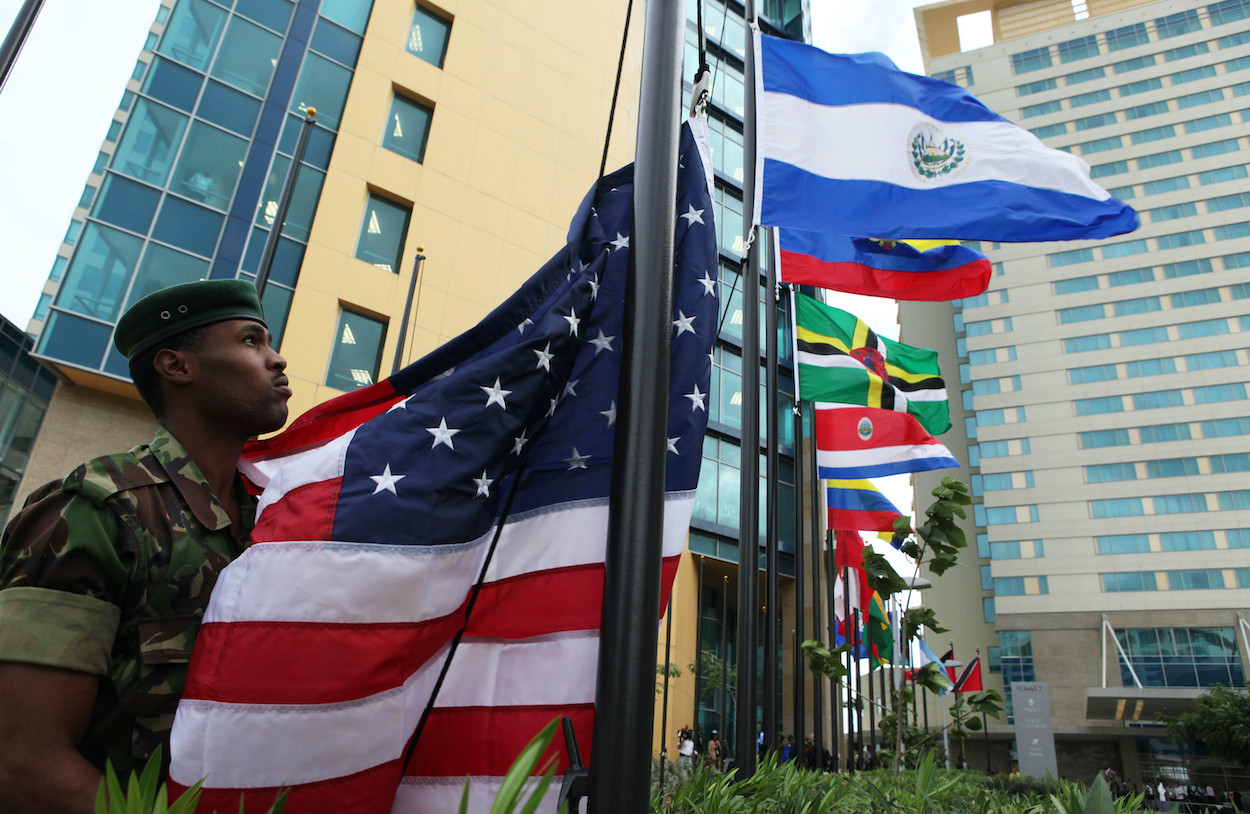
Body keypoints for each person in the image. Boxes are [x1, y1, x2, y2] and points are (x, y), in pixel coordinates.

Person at [0, 280, 290, 813]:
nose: (276, 359)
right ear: (176, 366)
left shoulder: (274, 525)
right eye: (251, 340)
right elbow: (24, 765)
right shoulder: (96, 511)